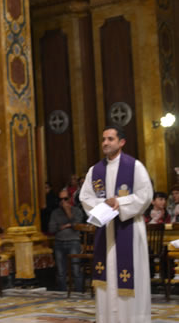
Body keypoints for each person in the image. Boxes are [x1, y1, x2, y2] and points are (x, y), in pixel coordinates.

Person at [80, 124, 153, 323]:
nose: (105, 143)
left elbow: (145, 196)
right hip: (106, 230)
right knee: (107, 280)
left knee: (130, 277)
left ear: (121, 142)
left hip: (128, 227)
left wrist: (119, 203)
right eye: (104, 139)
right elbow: (85, 197)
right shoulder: (95, 171)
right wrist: (103, 204)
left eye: (110, 139)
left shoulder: (134, 166)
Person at [48, 189, 85, 292]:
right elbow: (52, 228)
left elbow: (77, 226)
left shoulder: (77, 211)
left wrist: (69, 213)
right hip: (59, 242)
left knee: (76, 269)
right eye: (61, 199)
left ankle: (79, 292)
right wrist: (67, 225)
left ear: (70, 199)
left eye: (65, 199)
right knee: (60, 271)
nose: (63, 201)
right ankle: (62, 293)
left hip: (73, 242)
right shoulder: (55, 213)